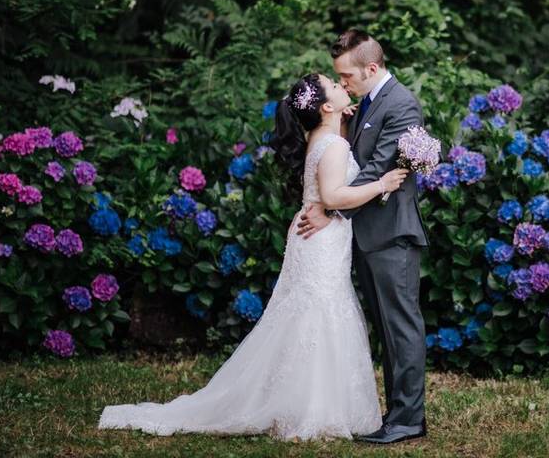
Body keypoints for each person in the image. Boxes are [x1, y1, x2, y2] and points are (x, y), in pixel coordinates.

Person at [97, 72, 408, 441]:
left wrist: (343, 112)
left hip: (314, 237)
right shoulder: (335, 145)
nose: (345, 88)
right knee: (320, 314)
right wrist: (381, 184)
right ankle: (313, 411)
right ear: (326, 106)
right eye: (337, 87)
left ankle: (303, 402)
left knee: (309, 315)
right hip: (321, 238)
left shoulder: (320, 137)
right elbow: (335, 198)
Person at [298, 29, 430, 444]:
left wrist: (329, 207)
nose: (343, 85)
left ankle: (408, 419)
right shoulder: (369, 102)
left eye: (347, 76)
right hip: (366, 235)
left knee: (401, 326)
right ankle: (397, 413)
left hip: (391, 234)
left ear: (372, 68)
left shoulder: (402, 104)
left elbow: (378, 169)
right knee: (387, 327)